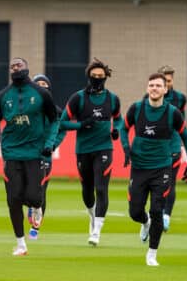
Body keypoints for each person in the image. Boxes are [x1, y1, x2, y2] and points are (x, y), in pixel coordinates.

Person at [0, 57, 58, 256]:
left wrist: (49, 144)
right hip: (11, 152)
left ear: (26, 68)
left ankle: (36, 207)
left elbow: (54, 121)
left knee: (34, 197)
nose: (16, 68)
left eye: (19, 65)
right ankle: (21, 244)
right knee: (13, 199)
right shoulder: (2, 96)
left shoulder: (41, 93)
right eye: (13, 66)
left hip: (35, 153)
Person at [121, 73, 187, 266]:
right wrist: (126, 148)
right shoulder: (136, 109)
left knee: (157, 210)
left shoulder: (173, 113)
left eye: (158, 86)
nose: (154, 88)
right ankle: (144, 223)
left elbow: (185, 136)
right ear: (147, 88)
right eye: (151, 85)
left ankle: (152, 254)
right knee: (135, 212)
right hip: (139, 168)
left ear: (165, 90)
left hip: (162, 168)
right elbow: (123, 128)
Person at [58, 58, 123, 246]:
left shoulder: (112, 99)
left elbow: (118, 119)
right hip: (83, 149)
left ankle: (97, 231)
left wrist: (116, 130)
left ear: (106, 78)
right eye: (94, 76)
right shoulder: (77, 97)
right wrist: (80, 124)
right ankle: (92, 215)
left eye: (100, 77)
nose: (97, 79)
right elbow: (62, 122)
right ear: (88, 77)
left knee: (101, 188)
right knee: (87, 190)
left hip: (104, 148)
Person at [27, 74, 66, 240]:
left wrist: (52, 145)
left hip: (45, 157)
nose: (42, 86)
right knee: (26, 190)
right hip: (27, 155)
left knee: (41, 191)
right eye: (38, 84)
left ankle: (36, 227)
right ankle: (31, 206)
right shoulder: (26, 109)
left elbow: (62, 129)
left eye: (45, 84)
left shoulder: (56, 111)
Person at [156, 65, 187, 231]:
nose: (167, 84)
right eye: (164, 80)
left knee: (170, 182)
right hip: (156, 148)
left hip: (173, 146)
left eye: (169, 80)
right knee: (155, 184)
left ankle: (166, 216)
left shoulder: (180, 99)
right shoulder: (149, 96)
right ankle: (156, 213)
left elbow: (181, 123)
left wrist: (183, 145)